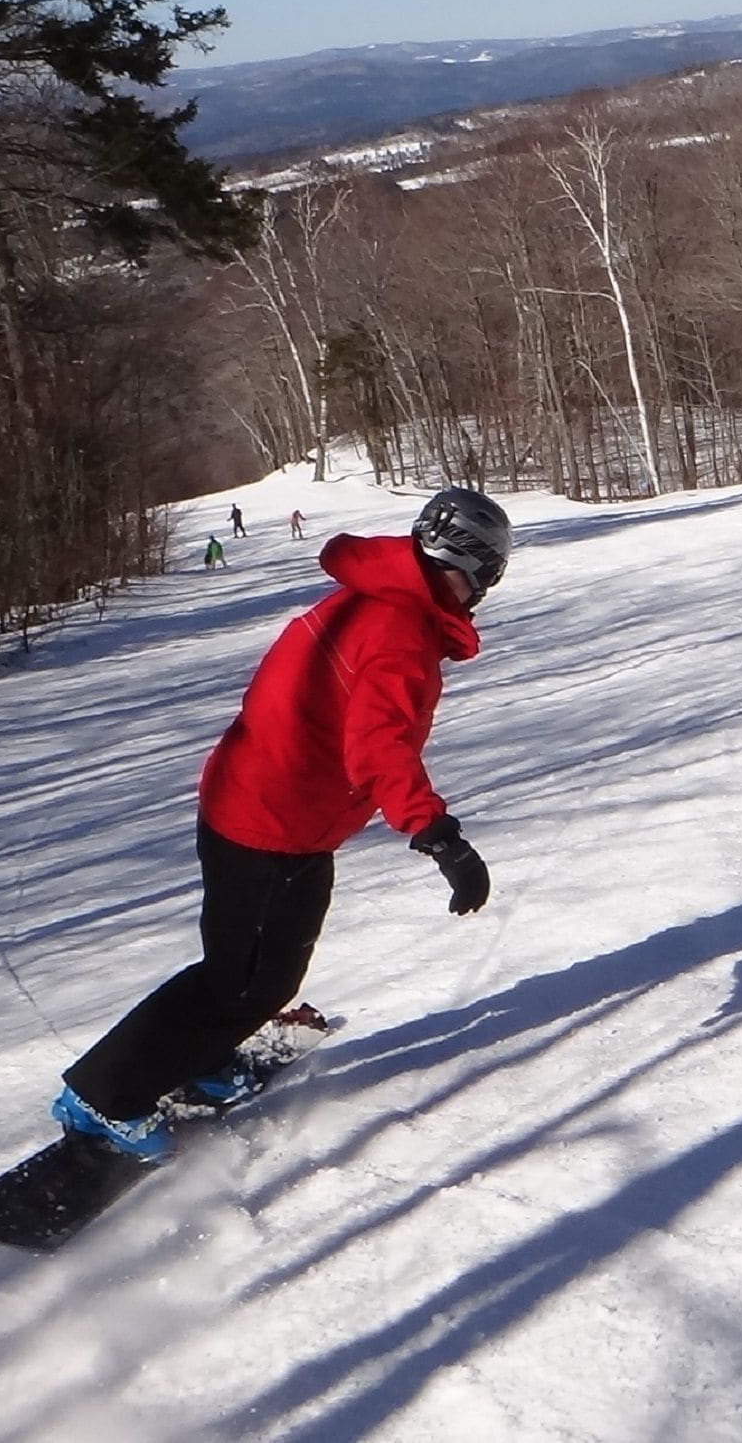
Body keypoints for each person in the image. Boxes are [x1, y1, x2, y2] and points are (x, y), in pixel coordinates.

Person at [47, 486, 515, 1162]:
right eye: (489, 574)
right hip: (266, 822)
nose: (485, 591)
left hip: (275, 811)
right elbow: (379, 748)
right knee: (238, 981)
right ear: (468, 565)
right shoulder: (399, 632)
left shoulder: (377, 598)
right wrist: (440, 836)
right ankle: (103, 1097)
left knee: (260, 977)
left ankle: (196, 1057)